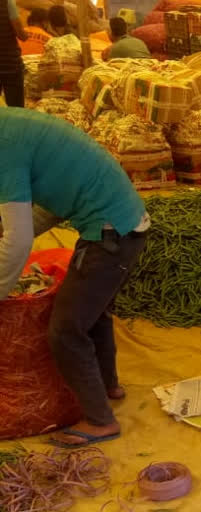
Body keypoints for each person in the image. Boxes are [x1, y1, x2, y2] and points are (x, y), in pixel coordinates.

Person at [0, 108, 150, 447]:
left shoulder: (3, 147)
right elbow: (55, 201)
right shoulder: (15, 126)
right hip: (125, 223)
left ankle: (100, 421)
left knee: (65, 330)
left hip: (111, 233)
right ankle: (108, 385)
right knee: (94, 314)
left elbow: (19, 240)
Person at [1, 0, 27, 107]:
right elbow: (20, 33)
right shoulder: (7, 3)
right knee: (16, 108)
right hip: (10, 65)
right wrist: (26, 34)